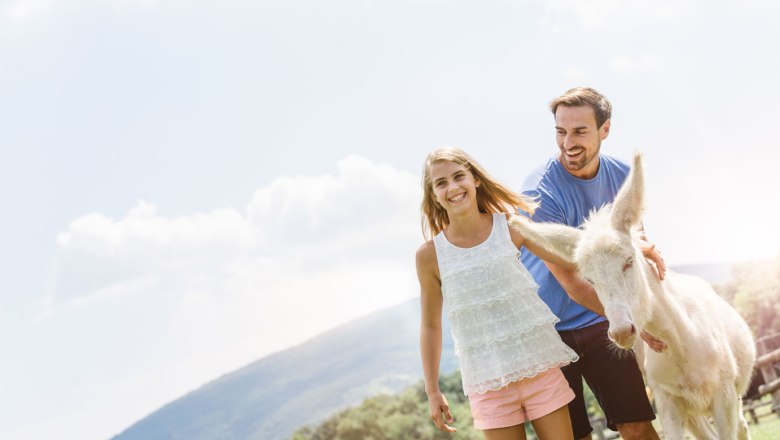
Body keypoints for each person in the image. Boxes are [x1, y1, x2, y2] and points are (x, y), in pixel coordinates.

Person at [520, 87, 666, 440]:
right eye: (560, 131)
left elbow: (632, 244)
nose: (568, 142)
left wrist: (646, 251)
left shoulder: (620, 176)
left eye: (579, 131)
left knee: (638, 427)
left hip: (599, 320)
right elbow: (570, 281)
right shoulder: (540, 192)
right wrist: (628, 319)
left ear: (605, 130)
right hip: (549, 331)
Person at [417, 147, 581, 439]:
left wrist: (627, 247)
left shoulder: (510, 226)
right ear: (433, 194)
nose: (452, 187)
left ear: (475, 179)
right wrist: (433, 390)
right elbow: (430, 325)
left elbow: (570, 255)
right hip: (487, 384)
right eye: (441, 183)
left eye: (458, 177)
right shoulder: (430, 256)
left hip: (539, 368)